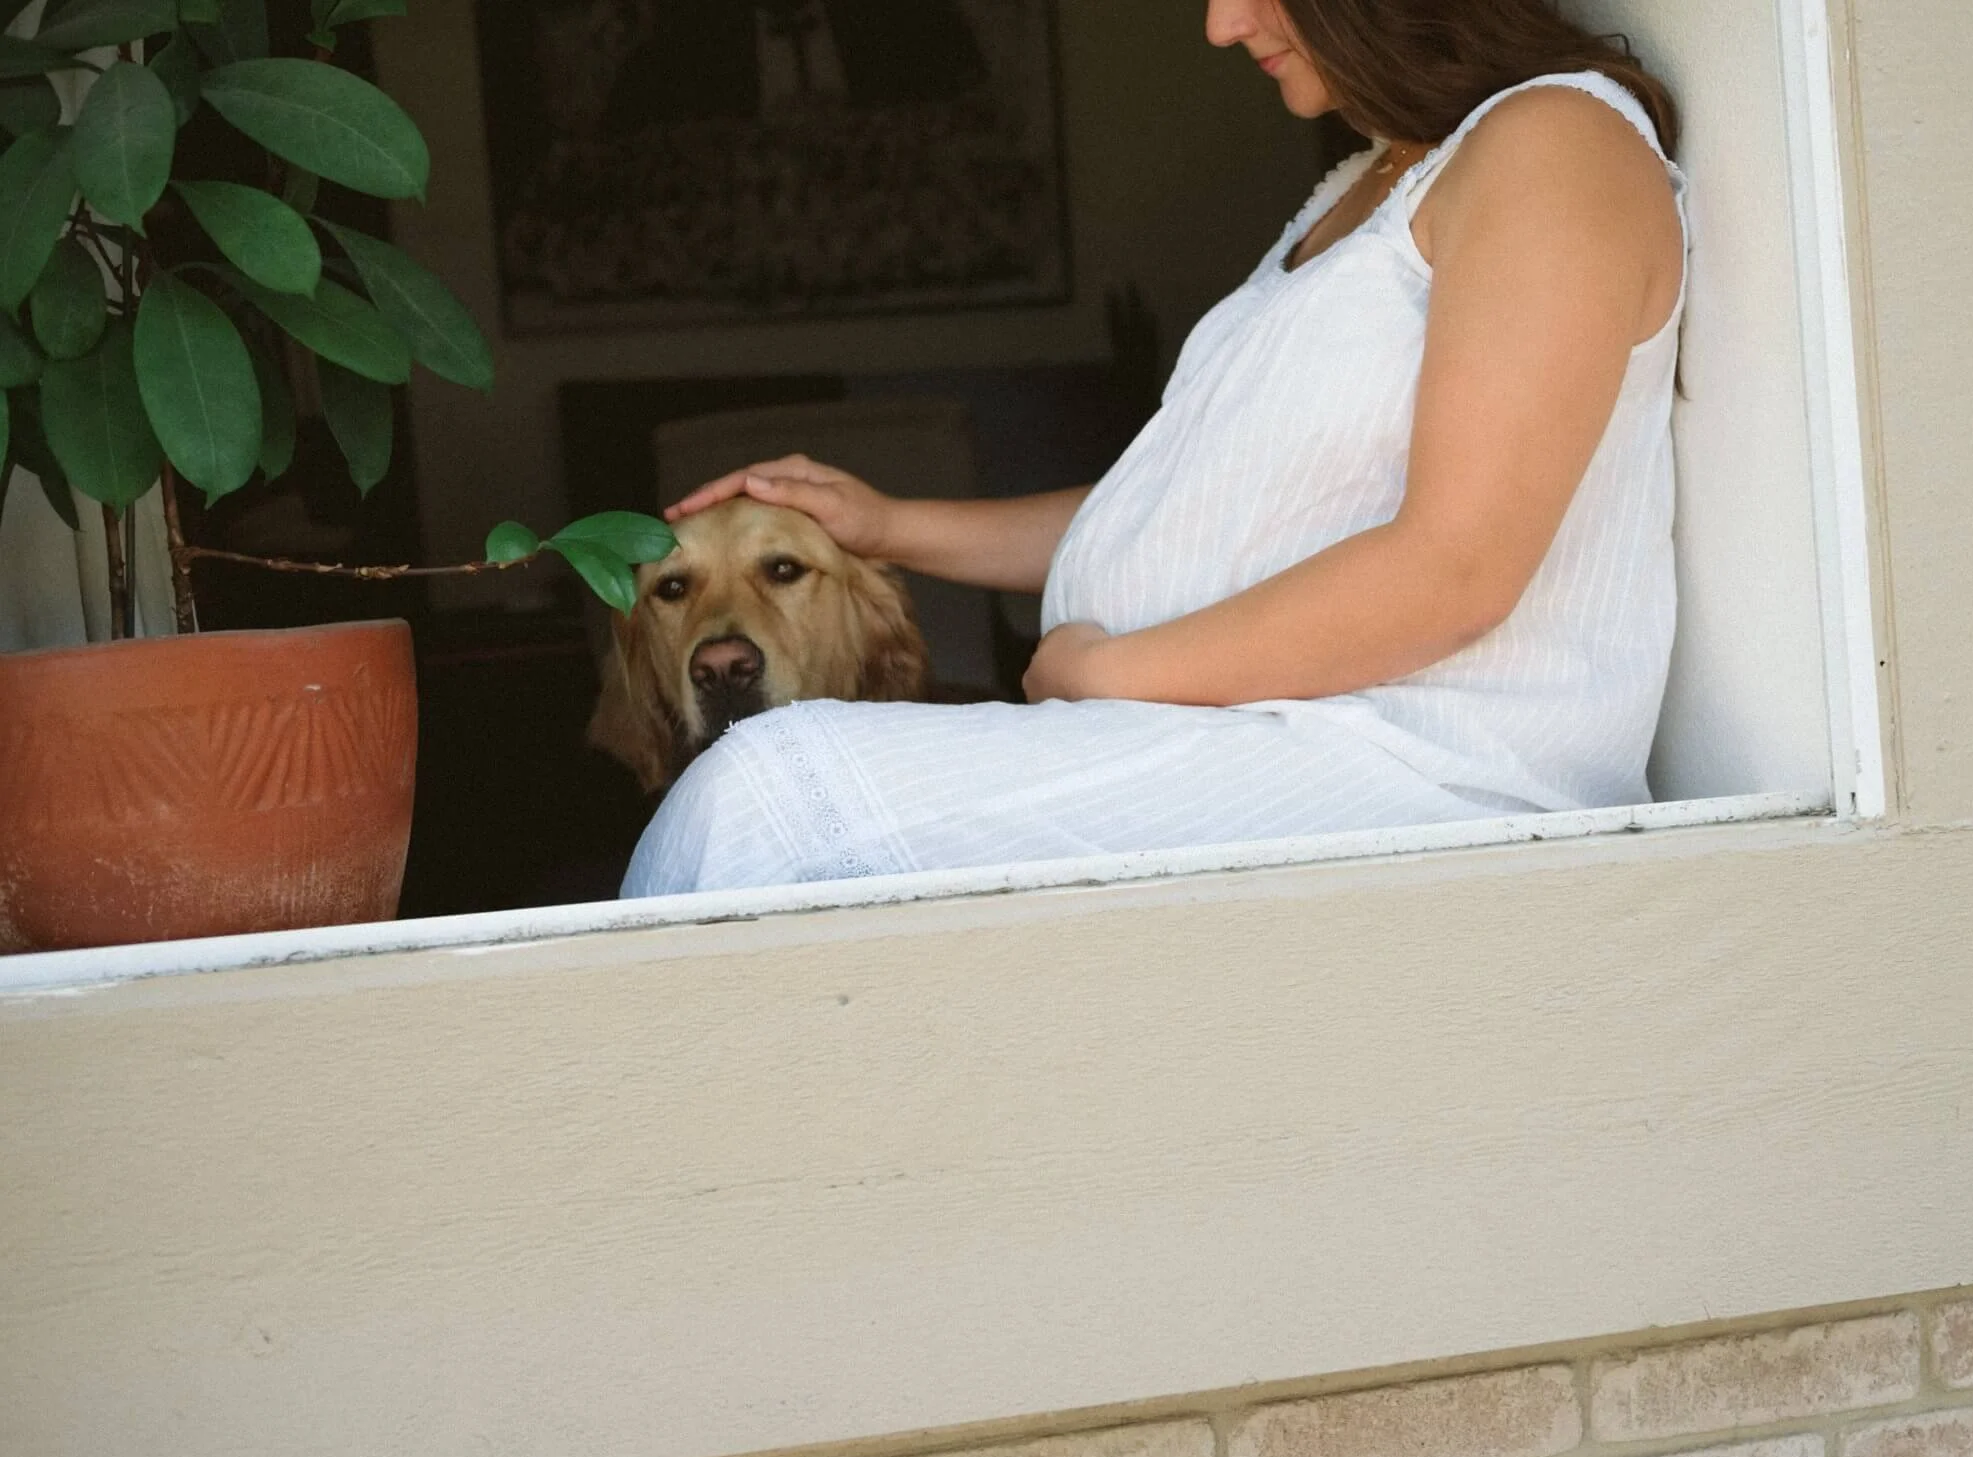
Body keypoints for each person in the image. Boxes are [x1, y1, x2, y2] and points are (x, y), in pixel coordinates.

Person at [621, 0, 1688, 898]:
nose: (1222, 24)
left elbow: (1457, 567)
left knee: (768, 803)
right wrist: (893, 525)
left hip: (1423, 766)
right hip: (1259, 739)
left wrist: (1115, 671)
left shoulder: (1554, 146)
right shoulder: (1371, 181)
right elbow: (1186, 504)